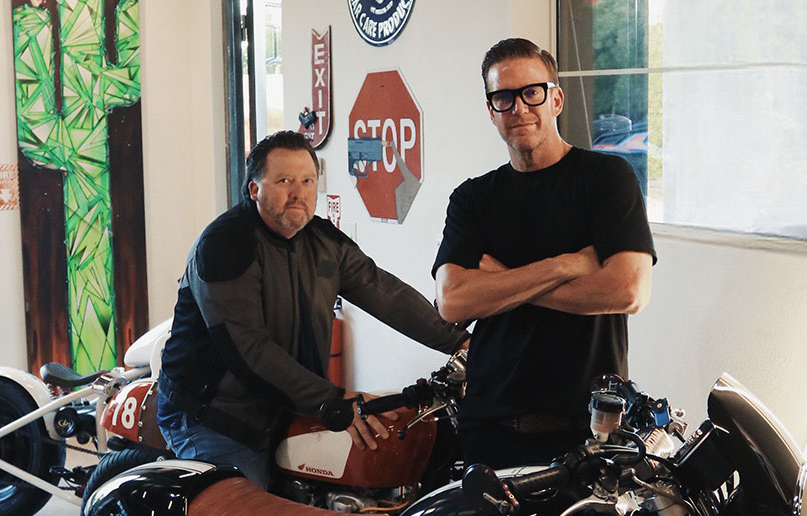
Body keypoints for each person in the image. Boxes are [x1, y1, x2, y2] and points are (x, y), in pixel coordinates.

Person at [157, 130, 469, 489]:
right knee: (249, 504)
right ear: (254, 189)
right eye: (284, 180)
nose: (298, 193)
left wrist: (461, 343)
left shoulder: (323, 242)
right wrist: (333, 399)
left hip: (287, 404)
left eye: (307, 181)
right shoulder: (225, 246)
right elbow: (248, 351)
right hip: (216, 416)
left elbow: (385, 294)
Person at [432, 38, 657, 469]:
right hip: (491, 430)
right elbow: (454, 301)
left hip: (588, 433)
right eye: (503, 97)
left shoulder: (607, 179)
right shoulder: (473, 198)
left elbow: (628, 290)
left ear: (555, 98)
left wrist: (501, 281)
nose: (518, 107)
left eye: (531, 92)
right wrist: (565, 265)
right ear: (490, 110)